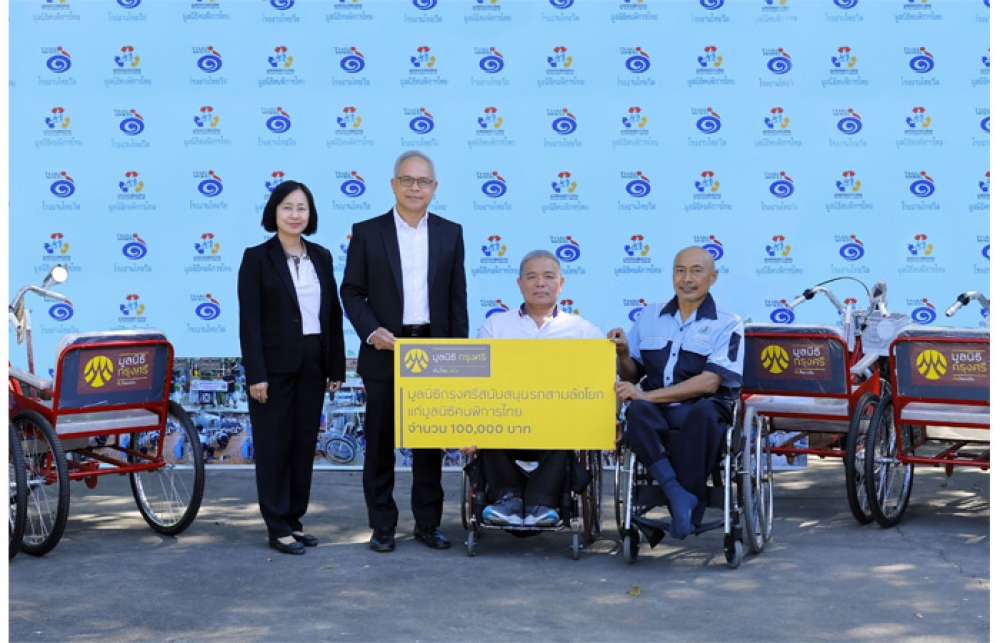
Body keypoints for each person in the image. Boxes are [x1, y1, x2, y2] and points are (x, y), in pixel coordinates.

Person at [341, 150, 468, 553]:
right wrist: (370, 331)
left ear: (434, 187)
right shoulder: (367, 232)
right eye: (408, 180)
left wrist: (457, 358)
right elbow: (351, 291)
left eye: (423, 181)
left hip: (433, 349)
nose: (416, 187)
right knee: (380, 444)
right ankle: (382, 525)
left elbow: (457, 300)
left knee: (429, 444)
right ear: (394, 184)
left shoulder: (451, 233)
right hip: (385, 349)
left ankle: (428, 524)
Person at [238, 180, 347, 556]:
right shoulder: (257, 258)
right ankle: (277, 526)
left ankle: (294, 520)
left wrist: (336, 367)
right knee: (274, 446)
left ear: (310, 214)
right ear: (274, 212)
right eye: (287, 207)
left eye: (302, 207)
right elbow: (249, 321)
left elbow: (332, 313)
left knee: (303, 446)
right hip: (273, 367)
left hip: (314, 361)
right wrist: (256, 374)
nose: (295, 214)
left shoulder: (322, 256)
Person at [609, 246, 744, 541]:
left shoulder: (728, 322)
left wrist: (645, 395)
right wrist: (624, 354)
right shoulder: (650, 314)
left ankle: (680, 501)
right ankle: (679, 496)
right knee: (636, 411)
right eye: (680, 270)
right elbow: (633, 375)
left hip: (703, 407)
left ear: (713, 277)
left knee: (703, 413)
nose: (687, 278)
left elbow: (709, 383)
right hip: (656, 410)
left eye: (696, 271)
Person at [464, 250, 603, 528]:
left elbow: (602, 383)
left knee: (565, 422)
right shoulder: (495, 326)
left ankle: (542, 503)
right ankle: (507, 499)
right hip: (505, 419)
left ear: (561, 283)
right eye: (532, 277)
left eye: (548, 276)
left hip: (559, 423)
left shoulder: (583, 331)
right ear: (520, 284)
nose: (540, 283)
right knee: (487, 419)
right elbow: (479, 384)